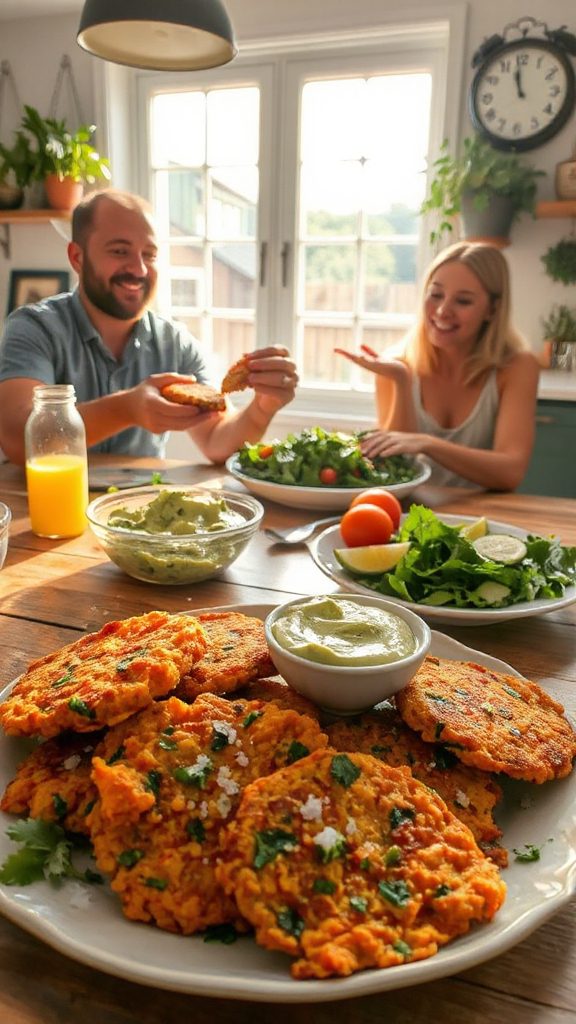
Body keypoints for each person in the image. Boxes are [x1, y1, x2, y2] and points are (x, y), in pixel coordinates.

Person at [0, 189, 298, 466]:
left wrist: (262, 408)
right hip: (43, 512)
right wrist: (126, 409)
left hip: (133, 513)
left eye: (150, 254)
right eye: (120, 251)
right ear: (77, 257)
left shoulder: (174, 342)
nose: (139, 269)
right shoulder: (34, 328)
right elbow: (17, 437)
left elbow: (217, 441)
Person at [335, 242, 539, 490]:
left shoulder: (518, 366)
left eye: (463, 301)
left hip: (481, 518)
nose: (443, 311)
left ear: (493, 310)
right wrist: (401, 381)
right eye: (436, 294)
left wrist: (427, 444)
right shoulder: (396, 364)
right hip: (413, 513)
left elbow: (510, 472)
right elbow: (397, 468)